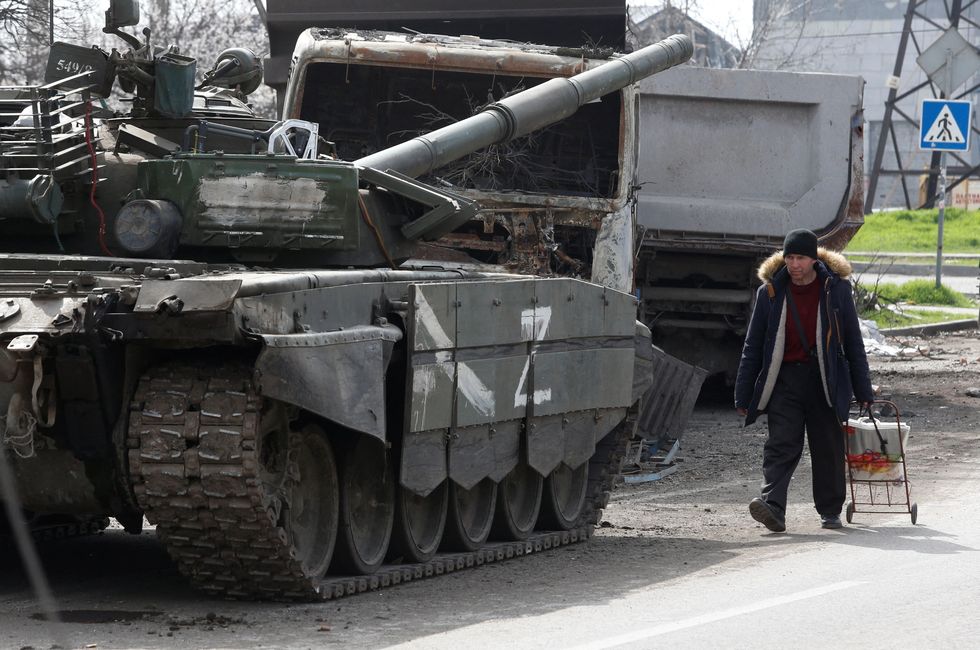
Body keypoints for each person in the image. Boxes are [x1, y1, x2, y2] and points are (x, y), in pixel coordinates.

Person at [734, 229, 874, 532]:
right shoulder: (770, 292)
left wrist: (863, 389)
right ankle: (773, 506)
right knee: (781, 444)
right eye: (790, 257)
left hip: (826, 378)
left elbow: (853, 342)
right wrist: (743, 395)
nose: (794, 264)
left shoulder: (835, 290)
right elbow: (753, 346)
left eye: (800, 258)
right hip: (786, 379)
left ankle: (830, 510)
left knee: (828, 445)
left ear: (813, 259)